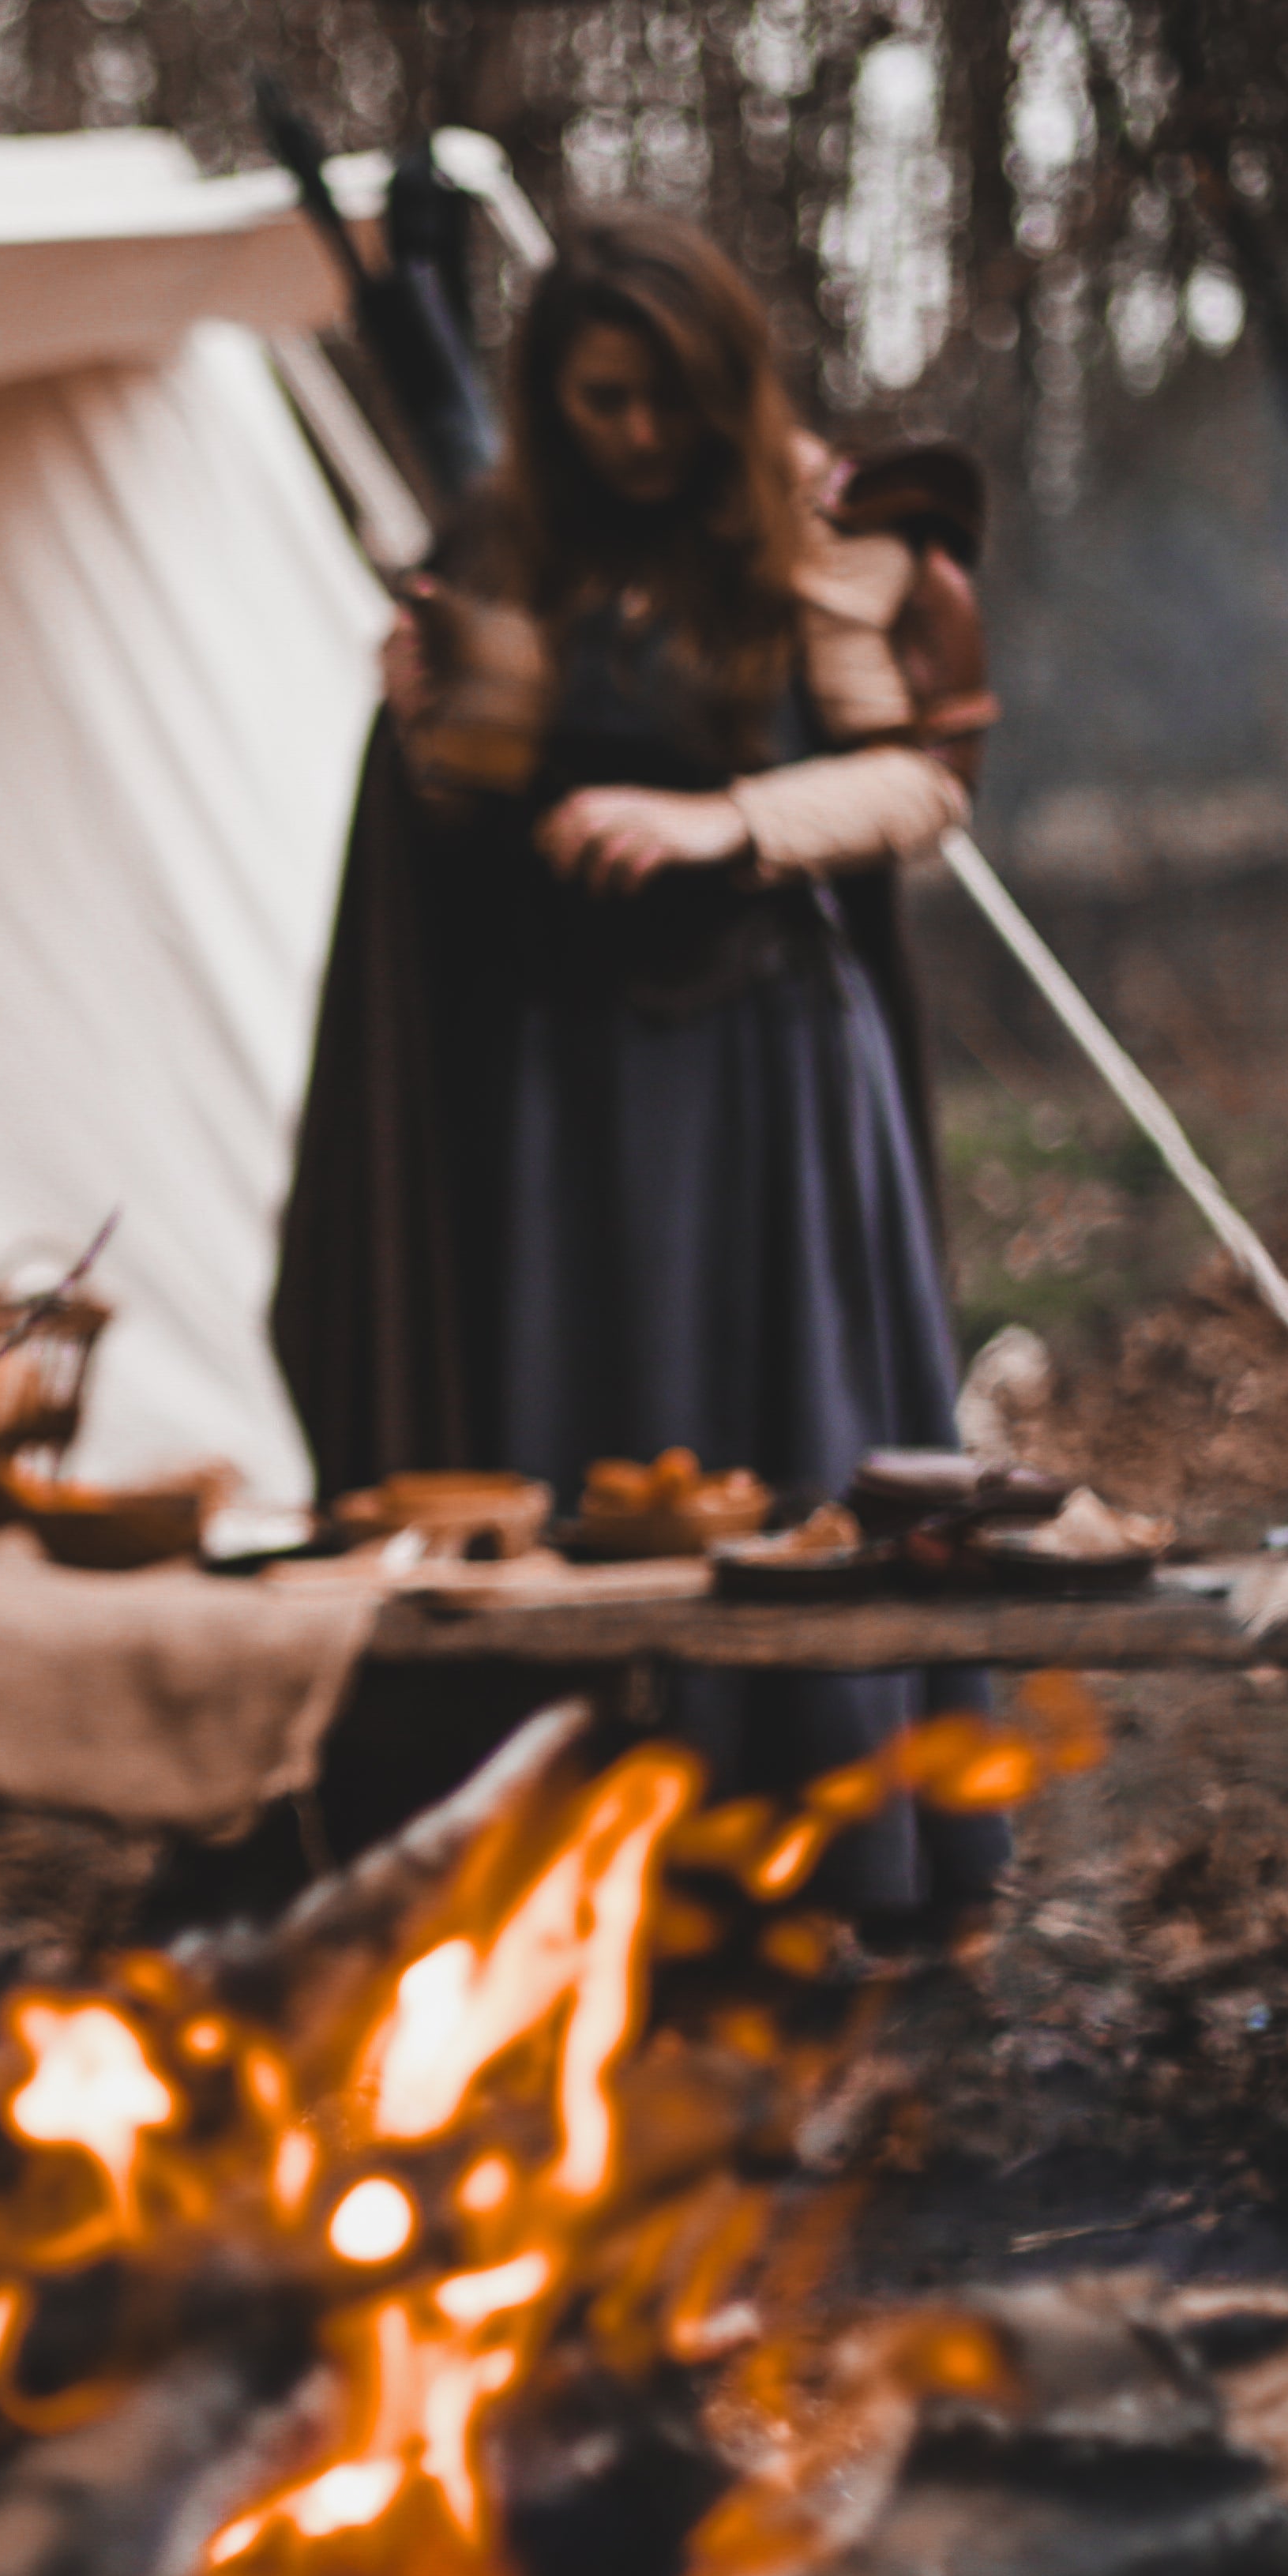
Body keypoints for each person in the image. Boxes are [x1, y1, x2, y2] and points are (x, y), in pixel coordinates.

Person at [272, 210, 1004, 1918]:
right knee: (574, 1436)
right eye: (602, 402)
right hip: (556, 1081)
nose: (639, 436)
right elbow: (466, 808)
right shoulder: (507, 539)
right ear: (550, 394)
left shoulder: (823, 527)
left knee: (787, 1441)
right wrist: (423, 719)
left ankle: (816, 1853)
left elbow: (919, 787)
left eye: (668, 401)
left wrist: (720, 821)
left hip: (765, 1073)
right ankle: (596, 1867)